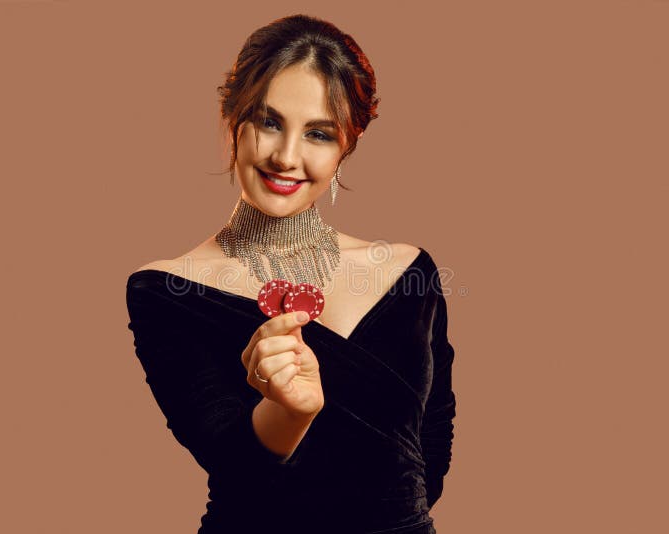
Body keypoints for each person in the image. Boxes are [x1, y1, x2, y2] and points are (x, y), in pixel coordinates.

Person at [125, 14, 456, 534]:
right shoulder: (165, 289)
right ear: (231, 118)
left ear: (347, 146)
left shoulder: (409, 272)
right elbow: (232, 464)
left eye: (319, 134)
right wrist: (290, 412)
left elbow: (430, 446)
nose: (286, 157)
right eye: (269, 121)